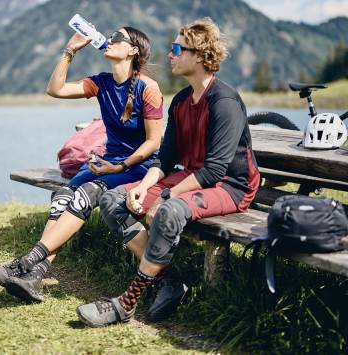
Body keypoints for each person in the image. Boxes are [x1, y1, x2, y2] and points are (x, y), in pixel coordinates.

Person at [76, 17, 261, 327]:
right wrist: (142, 187)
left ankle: (127, 302)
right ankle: (169, 281)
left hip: (230, 186)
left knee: (170, 211)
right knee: (113, 201)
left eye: (178, 48)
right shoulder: (181, 102)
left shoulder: (224, 101)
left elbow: (215, 170)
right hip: (192, 176)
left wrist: (164, 196)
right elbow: (165, 159)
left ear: (200, 56)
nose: (171, 54)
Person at [0, 26, 165, 302]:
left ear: (133, 50)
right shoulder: (102, 83)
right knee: (62, 196)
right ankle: (36, 275)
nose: (110, 40)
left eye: (118, 38)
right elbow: (55, 89)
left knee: (84, 194)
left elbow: (154, 142)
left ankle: (24, 264)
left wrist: (118, 167)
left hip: (138, 166)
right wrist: (70, 51)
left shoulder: (148, 89)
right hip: (109, 163)